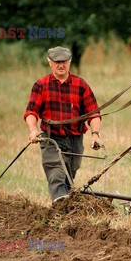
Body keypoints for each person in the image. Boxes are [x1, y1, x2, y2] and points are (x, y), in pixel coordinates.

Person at [24, 46, 103, 204]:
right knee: (56, 172)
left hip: (75, 139)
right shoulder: (41, 85)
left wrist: (95, 134)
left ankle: (65, 205)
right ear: (50, 63)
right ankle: (60, 206)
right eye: (57, 62)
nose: (61, 65)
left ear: (69, 62)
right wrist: (33, 129)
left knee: (69, 175)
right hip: (51, 138)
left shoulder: (81, 85)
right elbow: (31, 112)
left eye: (64, 62)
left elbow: (94, 113)